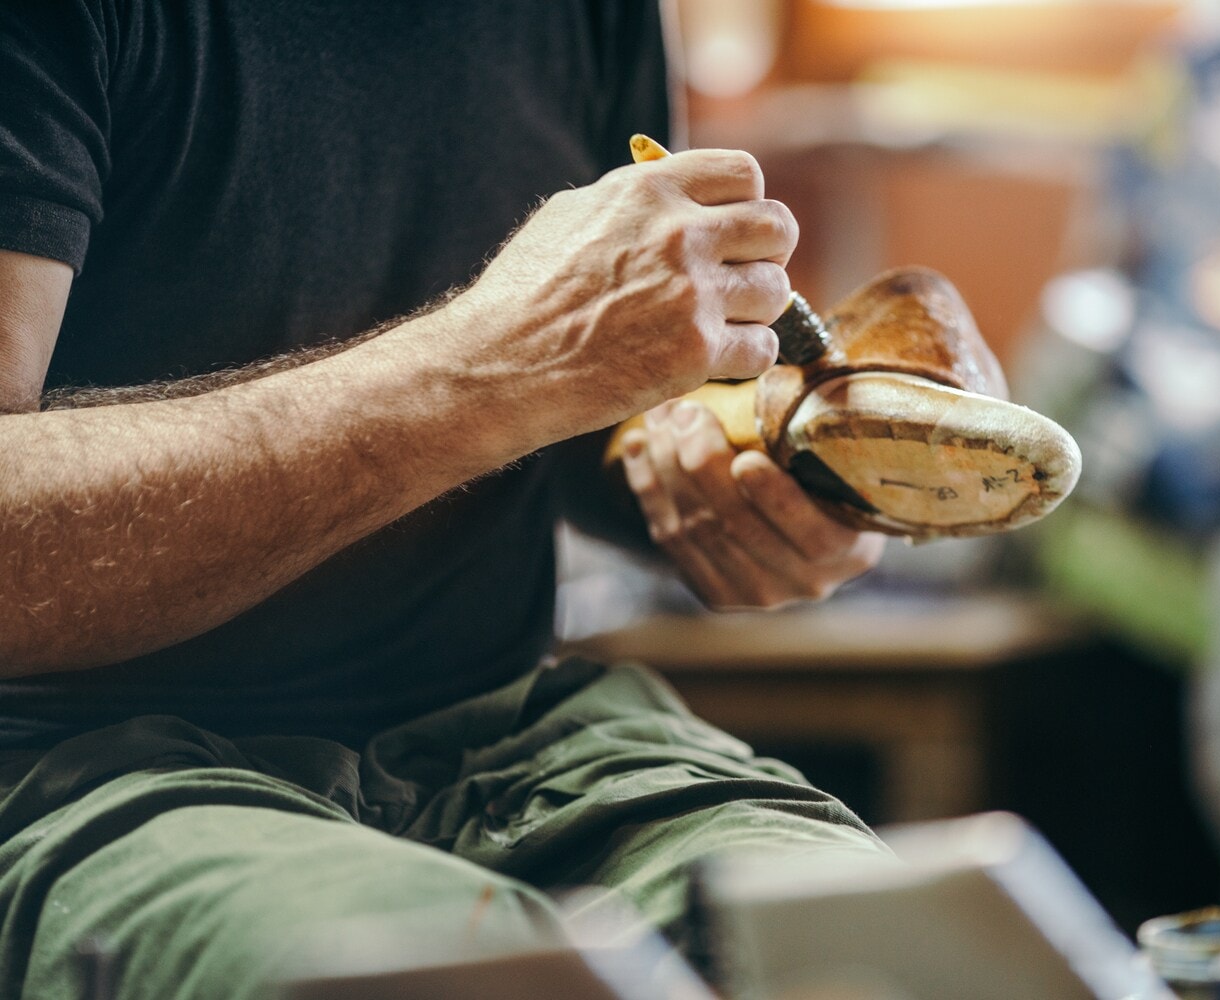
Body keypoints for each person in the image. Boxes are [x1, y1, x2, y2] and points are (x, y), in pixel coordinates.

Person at [0, 2, 890, 995]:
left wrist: (734, 470)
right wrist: (491, 368)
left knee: (904, 949)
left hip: (515, 734)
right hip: (75, 764)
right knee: (486, 981)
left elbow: (591, 386)